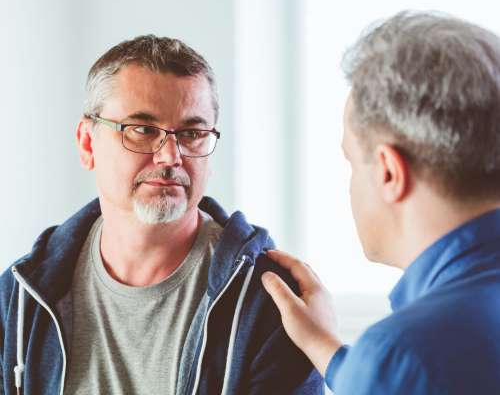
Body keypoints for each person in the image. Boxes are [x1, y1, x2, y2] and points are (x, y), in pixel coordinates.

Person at [0, 35, 323, 395]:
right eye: (142, 130)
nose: (170, 156)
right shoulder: (20, 295)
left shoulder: (268, 299)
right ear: (87, 144)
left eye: (192, 133)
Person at [261, 11, 500, 394]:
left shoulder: (405, 356)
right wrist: (325, 346)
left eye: (352, 162)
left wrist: (377, 365)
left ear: (389, 171)